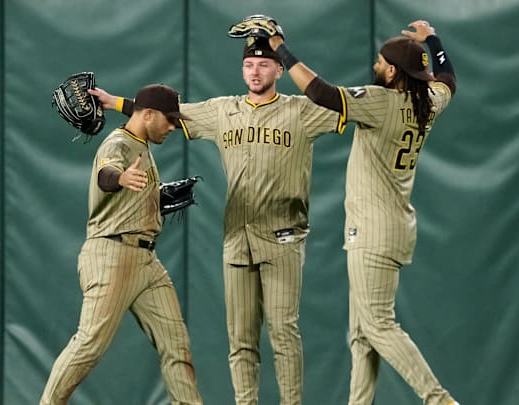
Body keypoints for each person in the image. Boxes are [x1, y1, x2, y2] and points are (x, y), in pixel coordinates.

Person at [90, 38, 346, 405]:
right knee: (241, 340)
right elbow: (168, 114)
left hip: (284, 237)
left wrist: (288, 51)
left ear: (278, 70)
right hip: (238, 237)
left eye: (264, 64)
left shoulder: (303, 110)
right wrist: (115, 102)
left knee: (283, 333)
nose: (254, 71)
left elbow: (342, 106)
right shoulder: (224, 110)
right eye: (248, 65)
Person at [265, 20, 460, 405]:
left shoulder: (381, 100)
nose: (375, 65)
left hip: (372, 230)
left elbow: (321, 93)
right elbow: (448, 78)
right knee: (361, 335)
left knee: (378, 324)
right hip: (395, 225)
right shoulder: (429, 101)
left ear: (392, 71)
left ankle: (440, 400)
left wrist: (280, 50)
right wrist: (433, 41)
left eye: (380, 61)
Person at [40, 84, 203, 405]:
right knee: (89, 345)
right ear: (150, 116)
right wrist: (121, 179)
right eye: (169, 120)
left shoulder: (141, 140)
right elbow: (106, 173)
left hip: (146, 262)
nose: (173, 126)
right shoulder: (119, 143)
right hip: (112, 255)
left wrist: (156, 198)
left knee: (176, 344)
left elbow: (141, 114)